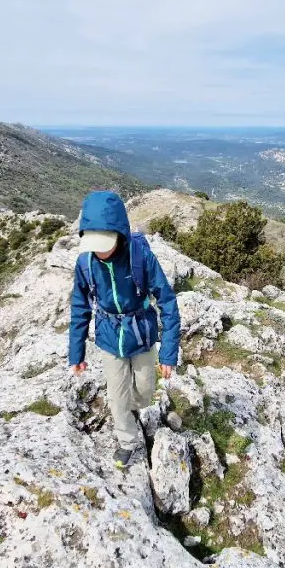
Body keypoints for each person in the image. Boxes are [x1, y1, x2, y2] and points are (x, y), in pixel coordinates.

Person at [69, 191, 181, 470]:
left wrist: (168, 354)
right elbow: (79, 306)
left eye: (104, 243)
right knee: (117, 395)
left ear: (119, 234)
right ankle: (127, 439)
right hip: (108, 336)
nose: (99, 250)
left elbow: (167, 301)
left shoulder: (139, 256)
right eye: (94, 243)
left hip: (141, 333)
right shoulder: (85, 263)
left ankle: (130, 409)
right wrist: (77, 352)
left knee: (145, 392)